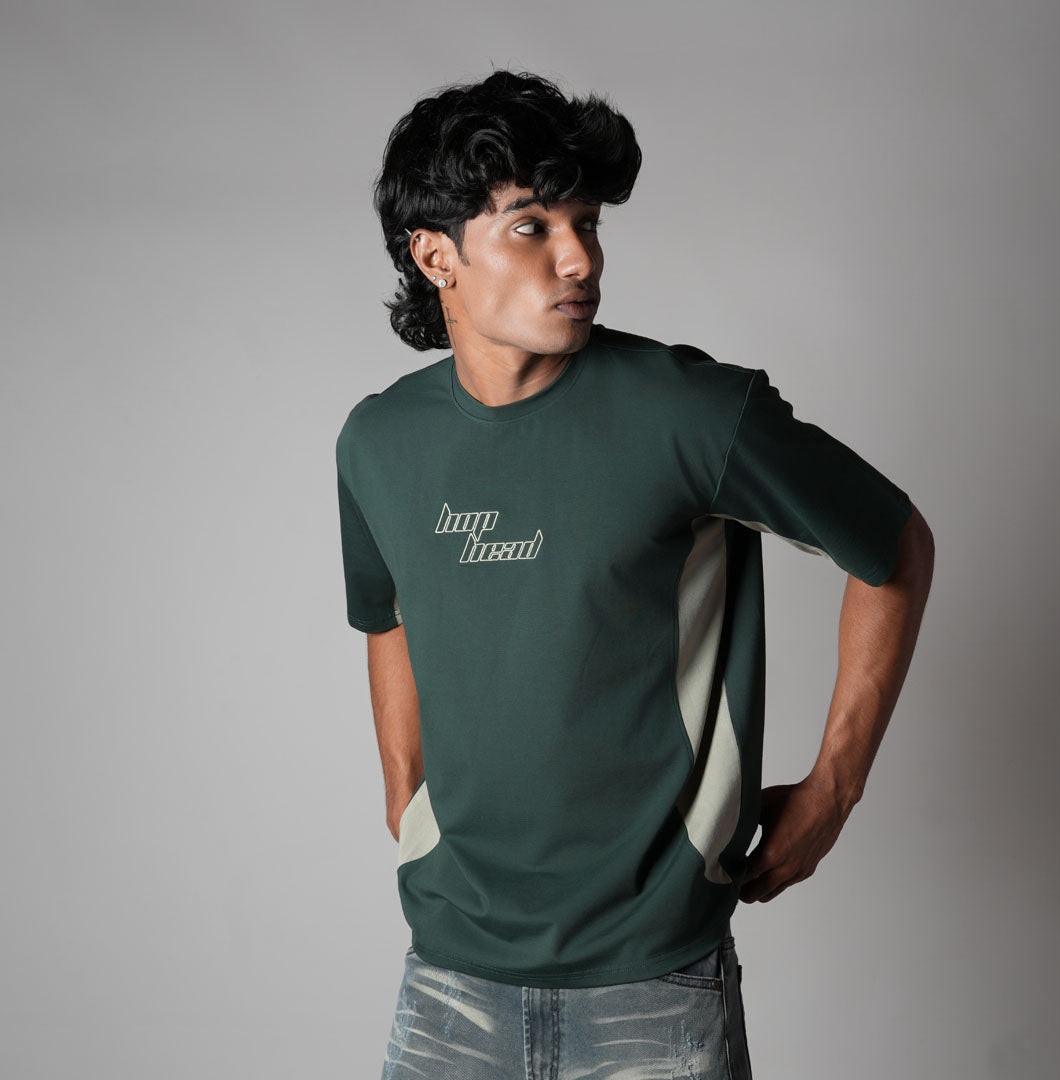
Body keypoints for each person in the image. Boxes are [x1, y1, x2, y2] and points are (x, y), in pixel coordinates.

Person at [335, 69, 934, 1080]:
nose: (581, 257)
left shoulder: (690, 414)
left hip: (654, 986)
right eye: (533, 226)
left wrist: (835, 789)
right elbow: (385, 611)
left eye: (588, 223)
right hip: (448, 977)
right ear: (436, 255)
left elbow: (893, 545)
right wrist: (408, 801)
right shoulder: (378, 442)